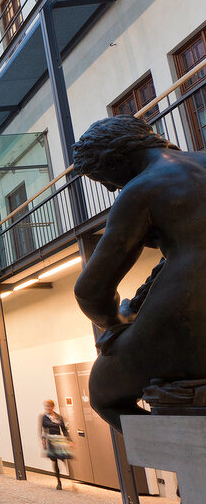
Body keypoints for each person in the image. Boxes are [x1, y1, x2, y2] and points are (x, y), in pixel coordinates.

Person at [72, 114, 206, 431]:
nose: (108, 188)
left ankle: (186, 457)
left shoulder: (141, 189)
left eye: (102, 177)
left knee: (104, 395)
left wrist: (115, 324)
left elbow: (90, 290)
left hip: (190, 317)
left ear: (115, 160)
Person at [39, 399, 73, 490]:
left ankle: (69, 477)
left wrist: (69, 440)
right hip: (49, 440)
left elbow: (64, 429)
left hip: (59, 439)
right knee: (54, 460)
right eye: (46, 406)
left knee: (64, 458)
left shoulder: (58, 417)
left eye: (49, 406)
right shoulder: (44, 417)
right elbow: (41, 430)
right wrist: (43, 440)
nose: (47, 408)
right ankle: (59, 481)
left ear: (53, 407)